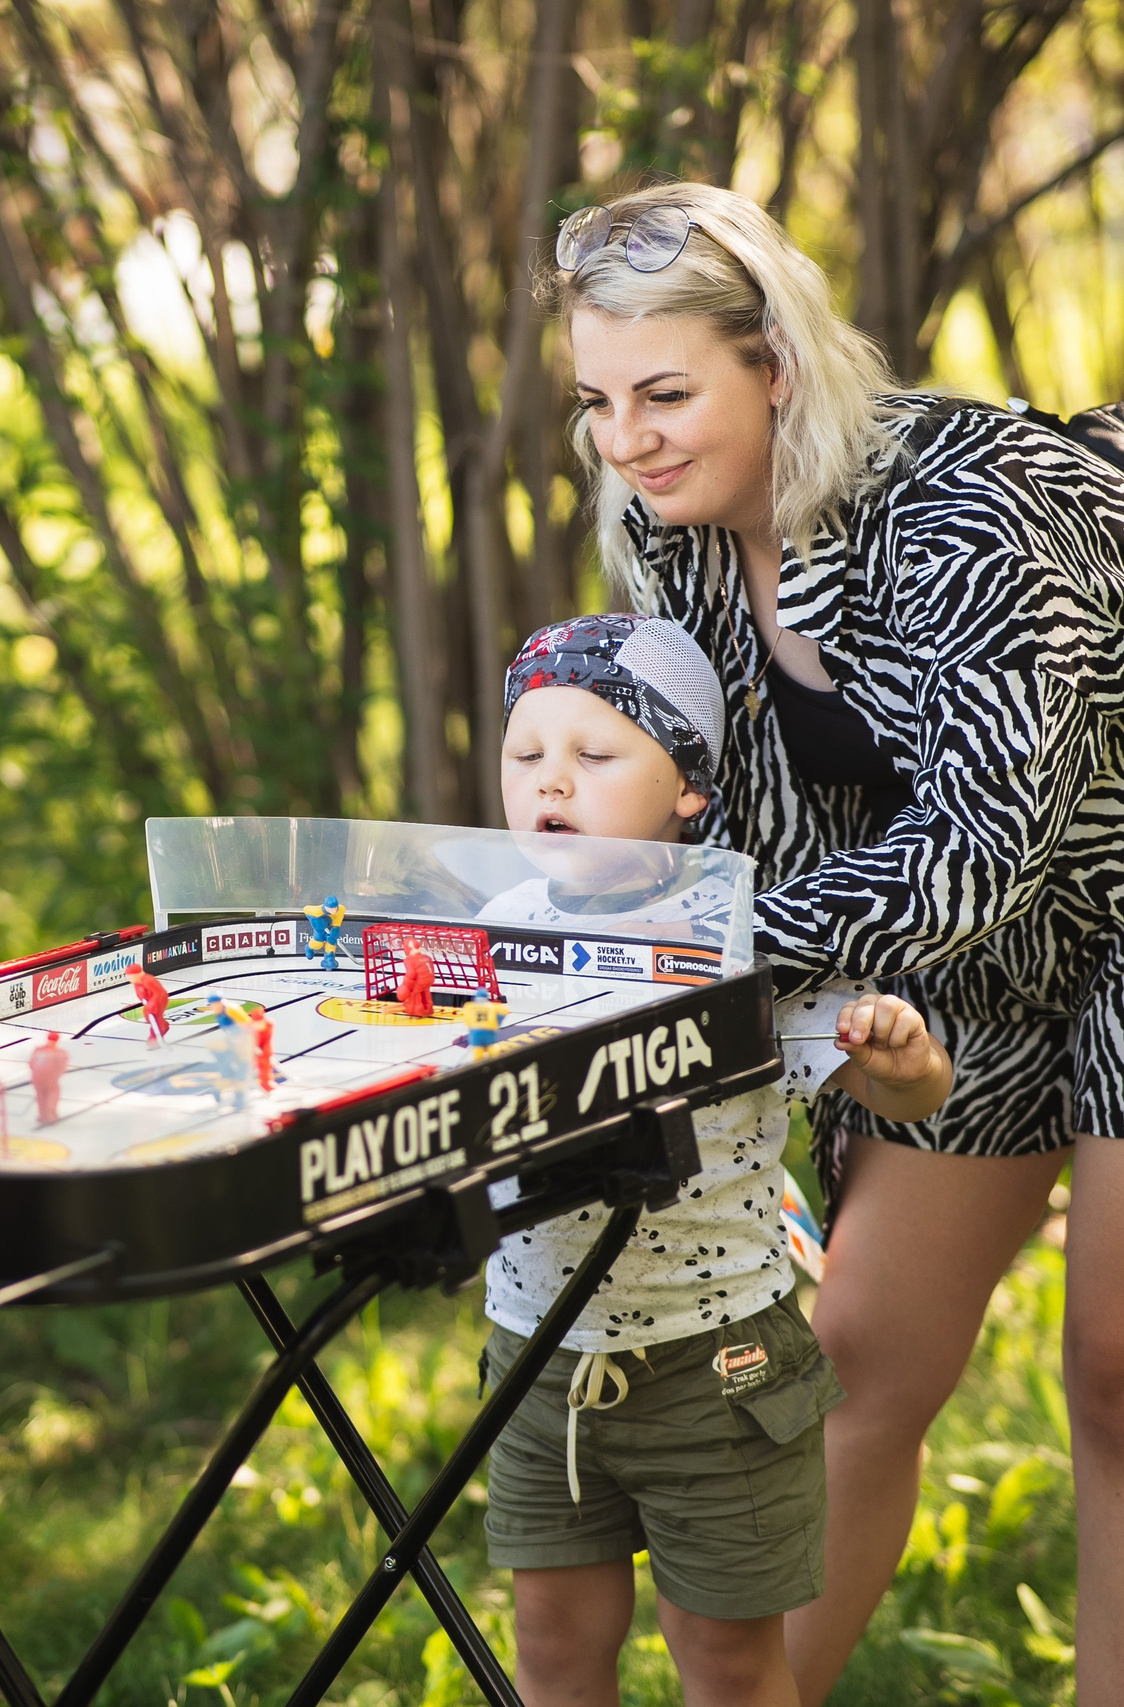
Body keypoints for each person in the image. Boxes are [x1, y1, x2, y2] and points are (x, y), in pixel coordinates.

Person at [546, 181, 1124, 1704]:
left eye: (667, 393)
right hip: (967, 949)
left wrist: (710, 951)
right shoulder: (669, 521)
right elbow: (737, 798)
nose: (631, 439)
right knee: (862, 1354)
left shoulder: (973, 505)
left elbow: (977, 846)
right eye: (601, 401)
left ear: (777, 361)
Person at [477, 615, 954, 1707]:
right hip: (538, 1355)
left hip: (716, 1366)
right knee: (552, 1646)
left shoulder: (738, 932)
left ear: (687, 788)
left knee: (728, 1659)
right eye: (525, 755)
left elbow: (914, 1092)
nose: (552, 781)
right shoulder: (493, 930)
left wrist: (902, 1054)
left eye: (594, 756)